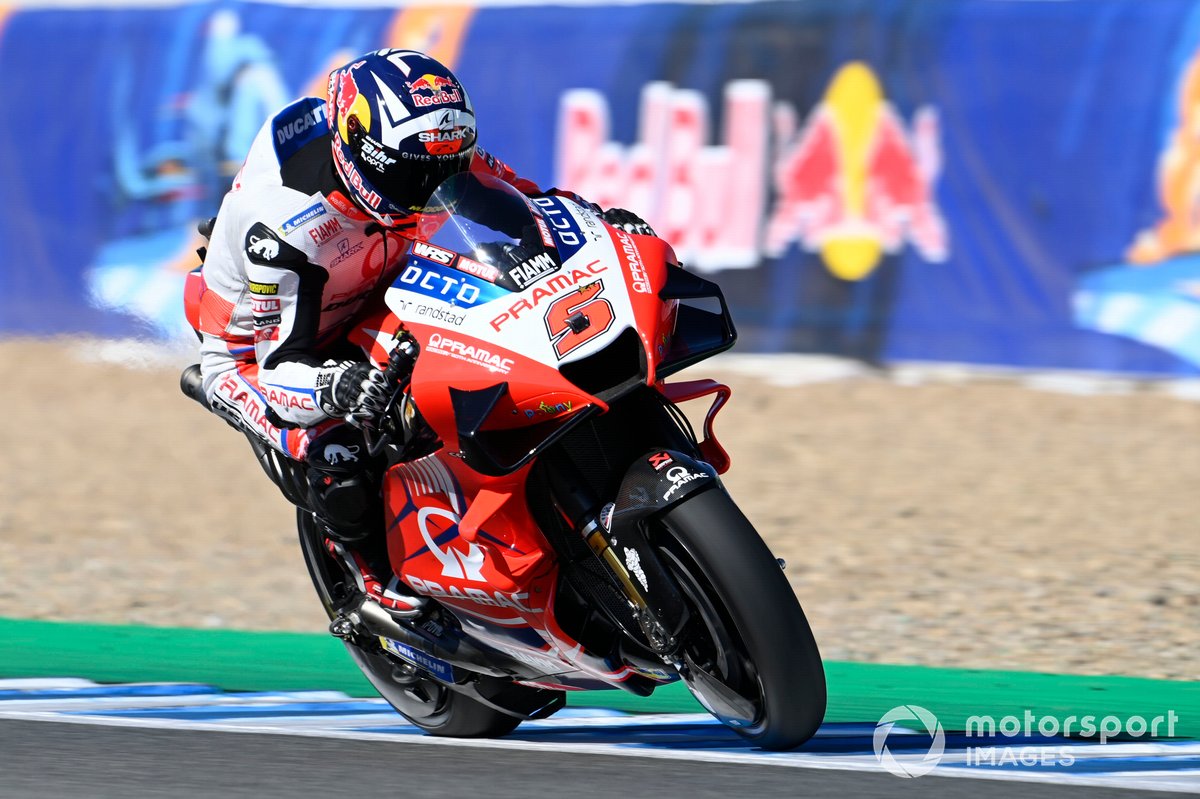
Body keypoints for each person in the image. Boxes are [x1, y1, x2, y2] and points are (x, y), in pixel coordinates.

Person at [190, 49, 652, 582]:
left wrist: (600, 226)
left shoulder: (431, 151)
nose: (437, 187)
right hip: (267, 354)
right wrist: (338, 389)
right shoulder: (286, 229)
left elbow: (530, 204)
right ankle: (374, 587)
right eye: (418, 175)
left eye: (449, 167)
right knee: (343, 464)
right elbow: (278, 368)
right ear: (365, 156)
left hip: (376, 289)